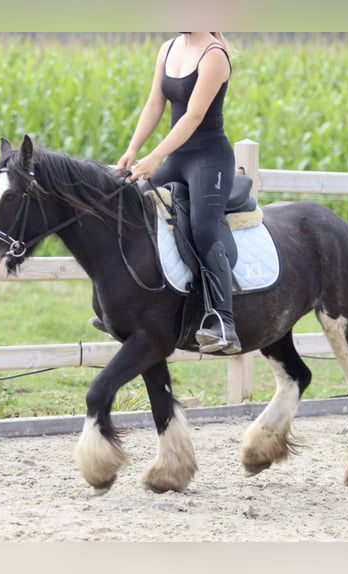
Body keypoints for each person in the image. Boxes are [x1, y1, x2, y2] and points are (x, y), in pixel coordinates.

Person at [118, 32, 241, 354]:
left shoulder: (214, 55)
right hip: (179, 157)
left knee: (203, 228)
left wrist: (154, 157)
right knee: (132, 208)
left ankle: (223, 321)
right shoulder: (168, 48)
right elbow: (155, 103)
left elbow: (194, 116)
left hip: (209, 158)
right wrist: (133, 150)